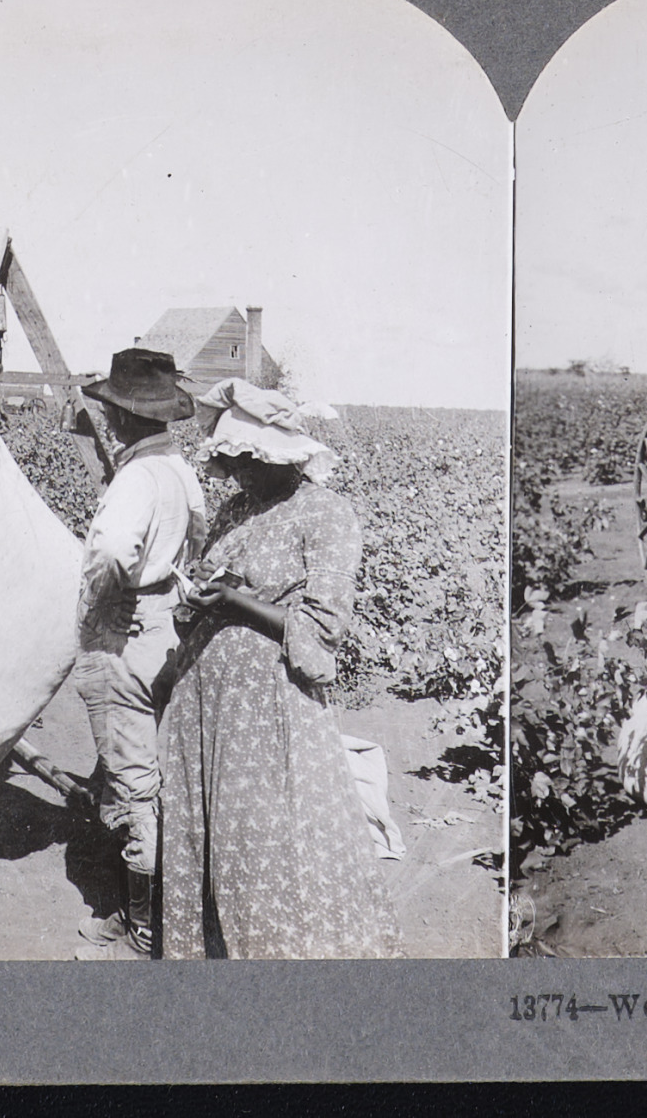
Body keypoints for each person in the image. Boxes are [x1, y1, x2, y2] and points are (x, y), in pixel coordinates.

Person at [156, 378, 400, 959]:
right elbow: (212, 578)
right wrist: (198, 598)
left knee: (265, 835)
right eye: (231, 464)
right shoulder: (239, 508)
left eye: (246, 463)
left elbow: (322, 626)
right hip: (206, 698)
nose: (237, 476)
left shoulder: (327, 514)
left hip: (269, 706)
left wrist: (238, 601)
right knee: (206, 829)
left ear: (279, 458)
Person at [71, 349, 205, 960]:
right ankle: (170, 905)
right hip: (167, 629)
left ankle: (143, 926)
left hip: (127, 632)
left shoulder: (135, 478)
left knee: (134, 786)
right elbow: (198, 536)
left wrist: (102, 609)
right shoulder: (179, 470)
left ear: (123, 418)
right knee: (157, 767)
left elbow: (113, 554)